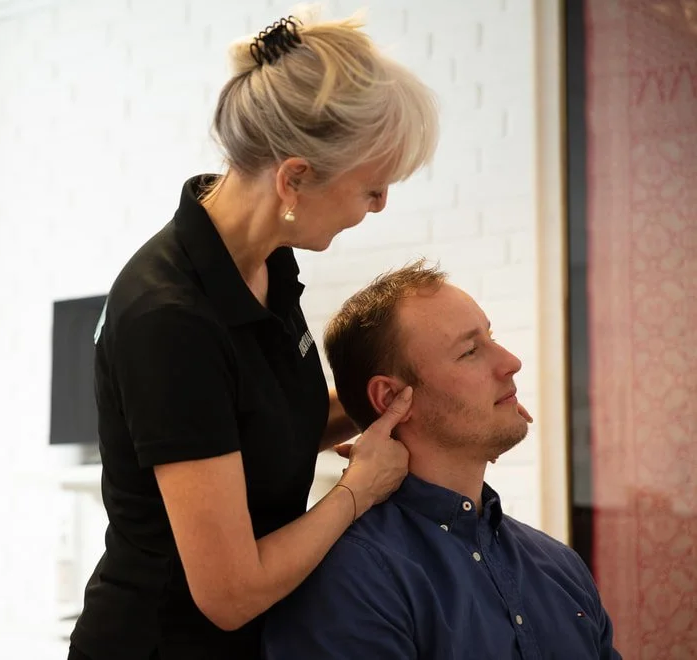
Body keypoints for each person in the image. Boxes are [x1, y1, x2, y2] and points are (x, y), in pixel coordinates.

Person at [67, 12, 442, 660]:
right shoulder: (170, 318)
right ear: (294, 179)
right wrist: (359, 491)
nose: (378, 207)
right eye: (372, 188)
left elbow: (268, 420)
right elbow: (230, 590)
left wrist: (395, 396)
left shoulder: (269, 261)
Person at [261, 260, 620, 660]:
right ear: (390, 397)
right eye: (470, 351)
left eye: (491, 337)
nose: (510, 362)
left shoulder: (559, 566)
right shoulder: (350, 579)